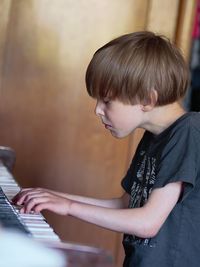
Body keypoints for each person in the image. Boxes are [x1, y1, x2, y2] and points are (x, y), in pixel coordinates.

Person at [12, 31, 200, 267]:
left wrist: (69, 207)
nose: (98, 110)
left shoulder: (188, 132)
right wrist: (56, 198)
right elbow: (126, 204)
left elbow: (147, 222)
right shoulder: (153, 137)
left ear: (147, 99)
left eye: (107, 101)